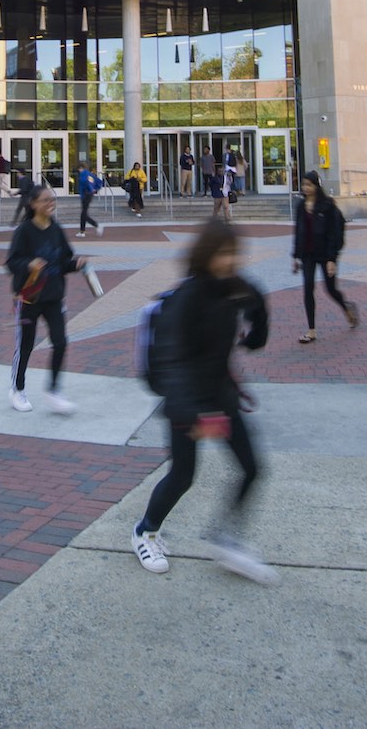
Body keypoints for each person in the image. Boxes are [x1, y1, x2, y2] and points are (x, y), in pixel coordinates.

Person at [130, 219, 274, 584]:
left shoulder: (234, 288)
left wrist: (255, 333)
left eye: (234, 254)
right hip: (188, 400)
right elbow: (170, 358)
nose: (229, 261)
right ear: (206, 253)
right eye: (223, 253)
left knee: (252, 468)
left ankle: (228, 540)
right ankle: (144, 532)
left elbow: (258, 306)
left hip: (221, 394)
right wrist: (186, 411)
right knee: (182, 476)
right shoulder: (187, 298)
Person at [4, 184, 83, 414]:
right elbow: (11, 263)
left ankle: (53, 390)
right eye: (46, 199)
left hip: (54, 297)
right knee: (25, 345)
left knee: (60, 342)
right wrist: (28, 264)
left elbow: (63, 261)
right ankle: (17, 389)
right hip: (29, 297)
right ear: (33, 204)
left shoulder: (56, 229)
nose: (51, 203)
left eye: (52, 199)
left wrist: (76, 264)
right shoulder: (24, 231)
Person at [290, 171, 356, 345]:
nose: (306, 188)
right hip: (307, 255)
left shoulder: (327, 206)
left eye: (309, 185)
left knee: (330, 289)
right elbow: (299, 233)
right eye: (303, 185)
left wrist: (332, 259)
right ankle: (311, 330)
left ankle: (347, 308)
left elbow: (335, 233)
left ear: (316, 186)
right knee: (308, 288)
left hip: (326, 255)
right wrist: (295, 256)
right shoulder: (300, 207)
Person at [73, 160, 104, 238]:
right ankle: (82, 231)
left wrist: (90, 189)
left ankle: (96, 225)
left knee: (83, 214)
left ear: (81, 168)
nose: (79, 171)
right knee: (84, 213)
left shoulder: (83, 174)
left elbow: (85, 182)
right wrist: (95, 189)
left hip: (85, 195)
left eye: (79, 169)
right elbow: (99, 182)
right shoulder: (90, 174)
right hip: (89, 195)